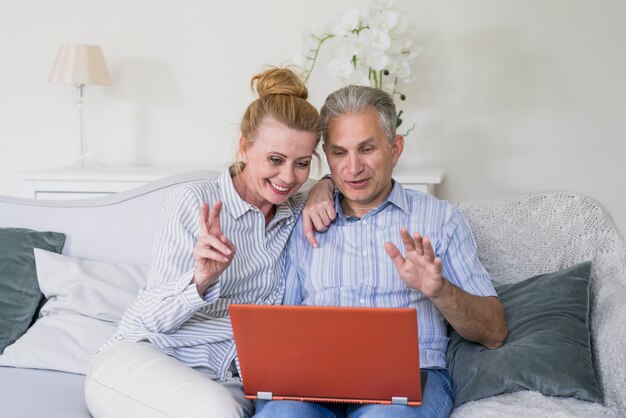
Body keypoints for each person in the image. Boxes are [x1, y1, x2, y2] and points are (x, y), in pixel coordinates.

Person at [254, 85, 508, 418]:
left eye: (367, 149)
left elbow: (494, 332)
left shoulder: (439, 219)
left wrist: (438, 290)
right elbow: (282, 325)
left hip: (405, 387)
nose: (353, 167)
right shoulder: (305, 219)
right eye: (339, 152)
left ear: (395, 148)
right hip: (313, 384)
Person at [84, 67, 322, 418]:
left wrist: (326, 186)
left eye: (301, 164)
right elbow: (144, 321)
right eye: (275, 160)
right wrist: (199, 280)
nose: (288, 177)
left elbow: (345, 182)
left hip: (227, 381)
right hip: (150, 357)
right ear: (244, 147)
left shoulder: (299, 207)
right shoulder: (194, 202)